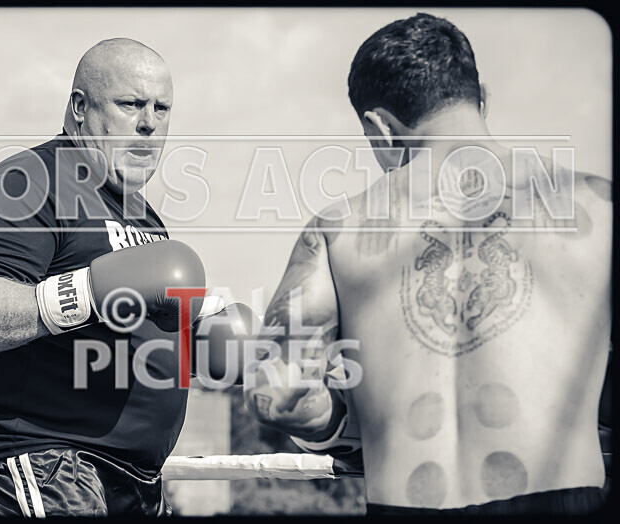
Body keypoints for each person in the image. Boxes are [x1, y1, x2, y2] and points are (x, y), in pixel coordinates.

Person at [244, 13, 612, 515]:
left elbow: (277, 393)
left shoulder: (336, 229)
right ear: (482, 96)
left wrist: (357, 426)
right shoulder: (597, 206)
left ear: (378, 128)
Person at [0, 38, 237, 517]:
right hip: (42, 461)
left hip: (134, 479)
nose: (149, 123)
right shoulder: (30, 181)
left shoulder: (144, 217)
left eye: (162, 108)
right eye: (130, 104)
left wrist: (202, 343)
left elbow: (132, 322)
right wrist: (93, 288)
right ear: (79, 107)